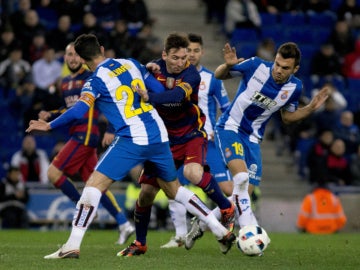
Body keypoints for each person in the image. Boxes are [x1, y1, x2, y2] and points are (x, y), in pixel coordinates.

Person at [26, 33, 235, 259]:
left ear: (84, 60)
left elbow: (79, 110)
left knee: (93, 186)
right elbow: (158, 90)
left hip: (132, 138)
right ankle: (220, 229)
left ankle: (71, 245)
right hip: (159, 134)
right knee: (173, 189)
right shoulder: (130, 63)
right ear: (103, 49)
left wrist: (49, 126)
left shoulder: (94, 81)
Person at [188, 41, 330, 246]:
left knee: (242, 195)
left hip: (253, 139)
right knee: (242, 178)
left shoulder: (295, 87)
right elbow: (219, 75)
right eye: (277, 65)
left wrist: (309, 108)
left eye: (285, 68)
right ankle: (249, 236)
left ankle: (202, 224)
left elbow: (288, 117)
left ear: (295, 69)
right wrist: (227, 65)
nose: (279, 71)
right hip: (230, 127)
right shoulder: (256, 66)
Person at [135, 32, 235, 251]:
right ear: (164, 55)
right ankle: (139, 243)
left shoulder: (192, 75)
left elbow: (176, 97)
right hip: (162, 140)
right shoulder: (152, 70)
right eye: (176, 58)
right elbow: (131, 72)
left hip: (191, 133)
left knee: (192, 173)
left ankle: (226, 208)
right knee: (146, 194)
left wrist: (148, 96)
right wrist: (145, 67)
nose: (181, 62)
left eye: (184, 57)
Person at [37, 42, 135, 245]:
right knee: (97, 185)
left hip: (86, 135)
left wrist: (110, 129)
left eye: (76, 54)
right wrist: (50, 114)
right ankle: (124, 223)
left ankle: (80, 207)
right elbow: (69, 108)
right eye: (69, 55)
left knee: (53, 173)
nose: (73, 58)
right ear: (64, 58)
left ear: (82, 57)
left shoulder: (90, 76)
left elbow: (111, 101)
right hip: (80, 135)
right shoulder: (64, 82)